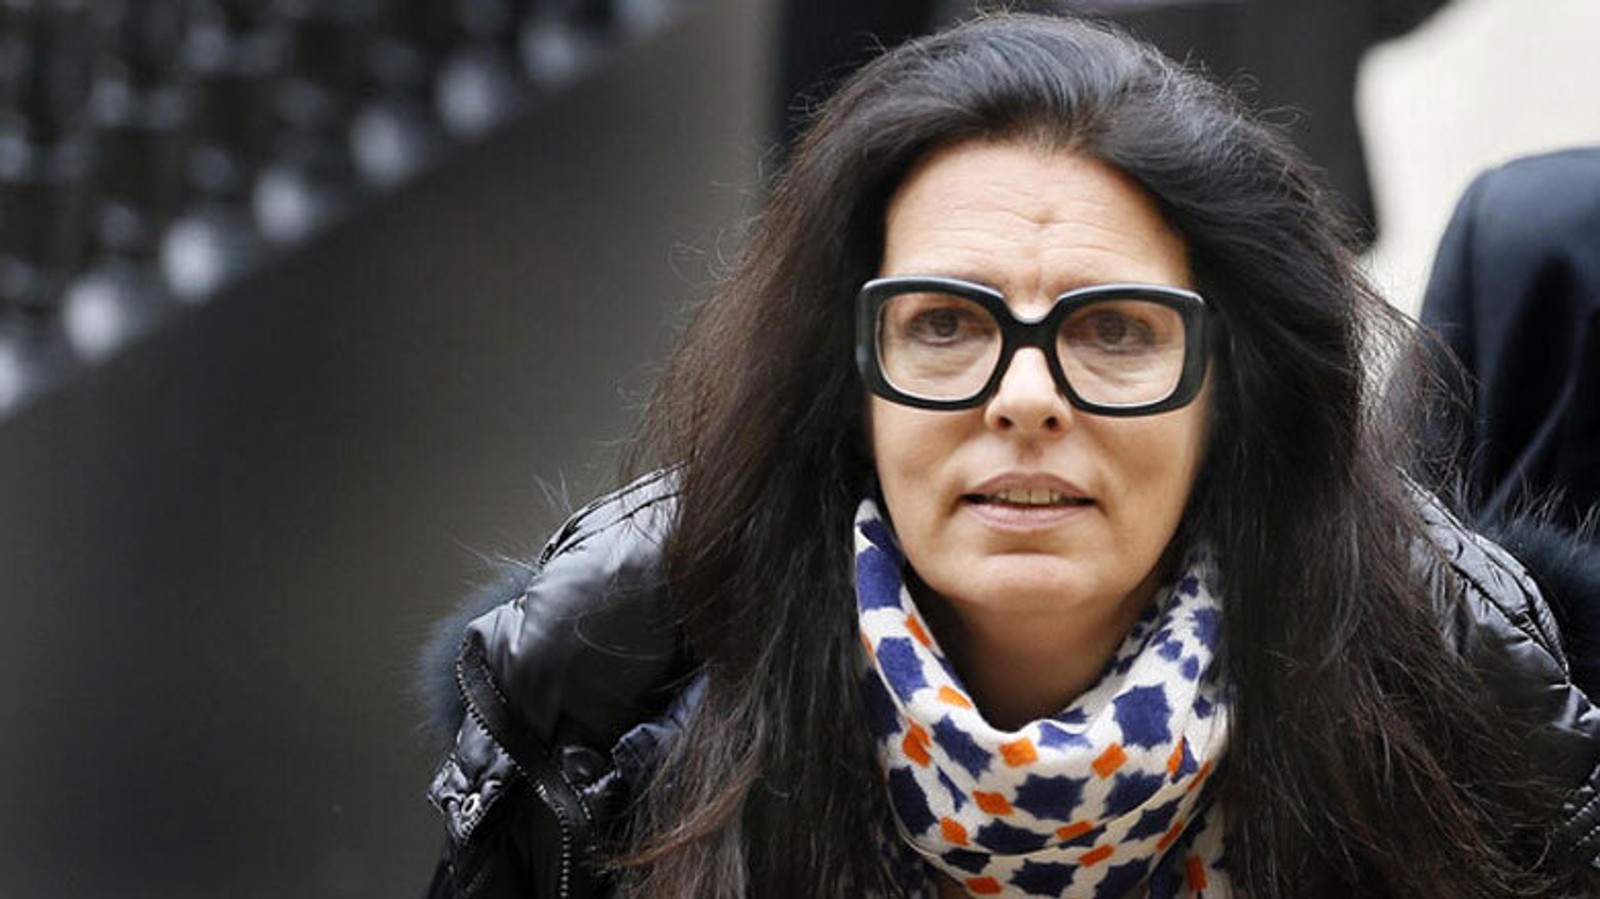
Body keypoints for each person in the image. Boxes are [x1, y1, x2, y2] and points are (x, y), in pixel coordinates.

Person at [422, 13, 1600, 899]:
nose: (1025, 399)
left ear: (1232, 394)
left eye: (1115, 331)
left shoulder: (1476, 733)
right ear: (845, 381)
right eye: (945, 324)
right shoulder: (596, 715)